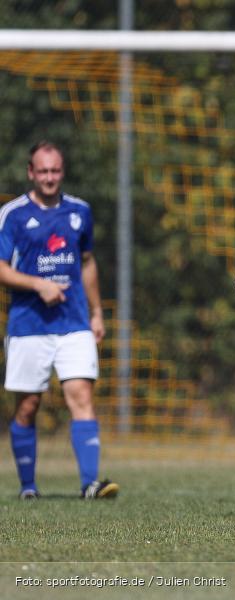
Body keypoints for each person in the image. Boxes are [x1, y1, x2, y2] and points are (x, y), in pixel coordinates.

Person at [0, 141, 117, 500]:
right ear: (31, 173)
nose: (49, 178)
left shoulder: (80, 211)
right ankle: (28, 487)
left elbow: (87, 263)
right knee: (28, 405)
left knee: (81, 395)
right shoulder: (13, 214)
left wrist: (97, 312)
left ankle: (89, 485)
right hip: (28, 324)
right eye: (43, 171)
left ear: (61, 172)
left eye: (55, 171)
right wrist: (38, 285)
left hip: (74, 321)